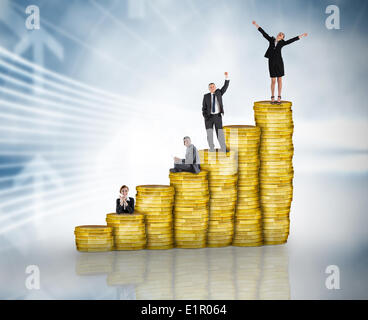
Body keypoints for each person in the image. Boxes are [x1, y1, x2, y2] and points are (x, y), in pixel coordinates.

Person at [252, 21, 307, 104]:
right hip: (271, 62)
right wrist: (256, 25)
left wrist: (301, 36)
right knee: (273, 80)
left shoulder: (282, 43)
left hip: (279, 62)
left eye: (281, 34)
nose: (280, 34)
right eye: (279, 33)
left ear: (282, 38)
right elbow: (264, 34)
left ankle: (279, 97)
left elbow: (292, 40)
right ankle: (272, 97)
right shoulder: (271, 40)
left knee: (279, 80)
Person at [202, 72, 230, 152]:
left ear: (215, 87)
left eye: (213, 86)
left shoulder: (219, 93)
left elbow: (225, 86)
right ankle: (211, 148)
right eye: (210, 87)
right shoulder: (206, 96)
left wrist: (226, 77)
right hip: (209, 117)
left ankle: (223, 148)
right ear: (209, 88)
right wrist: (206, 116)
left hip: (217, 116)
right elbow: (203, 108)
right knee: (209, 134)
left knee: (220, 133)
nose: (212, 88)